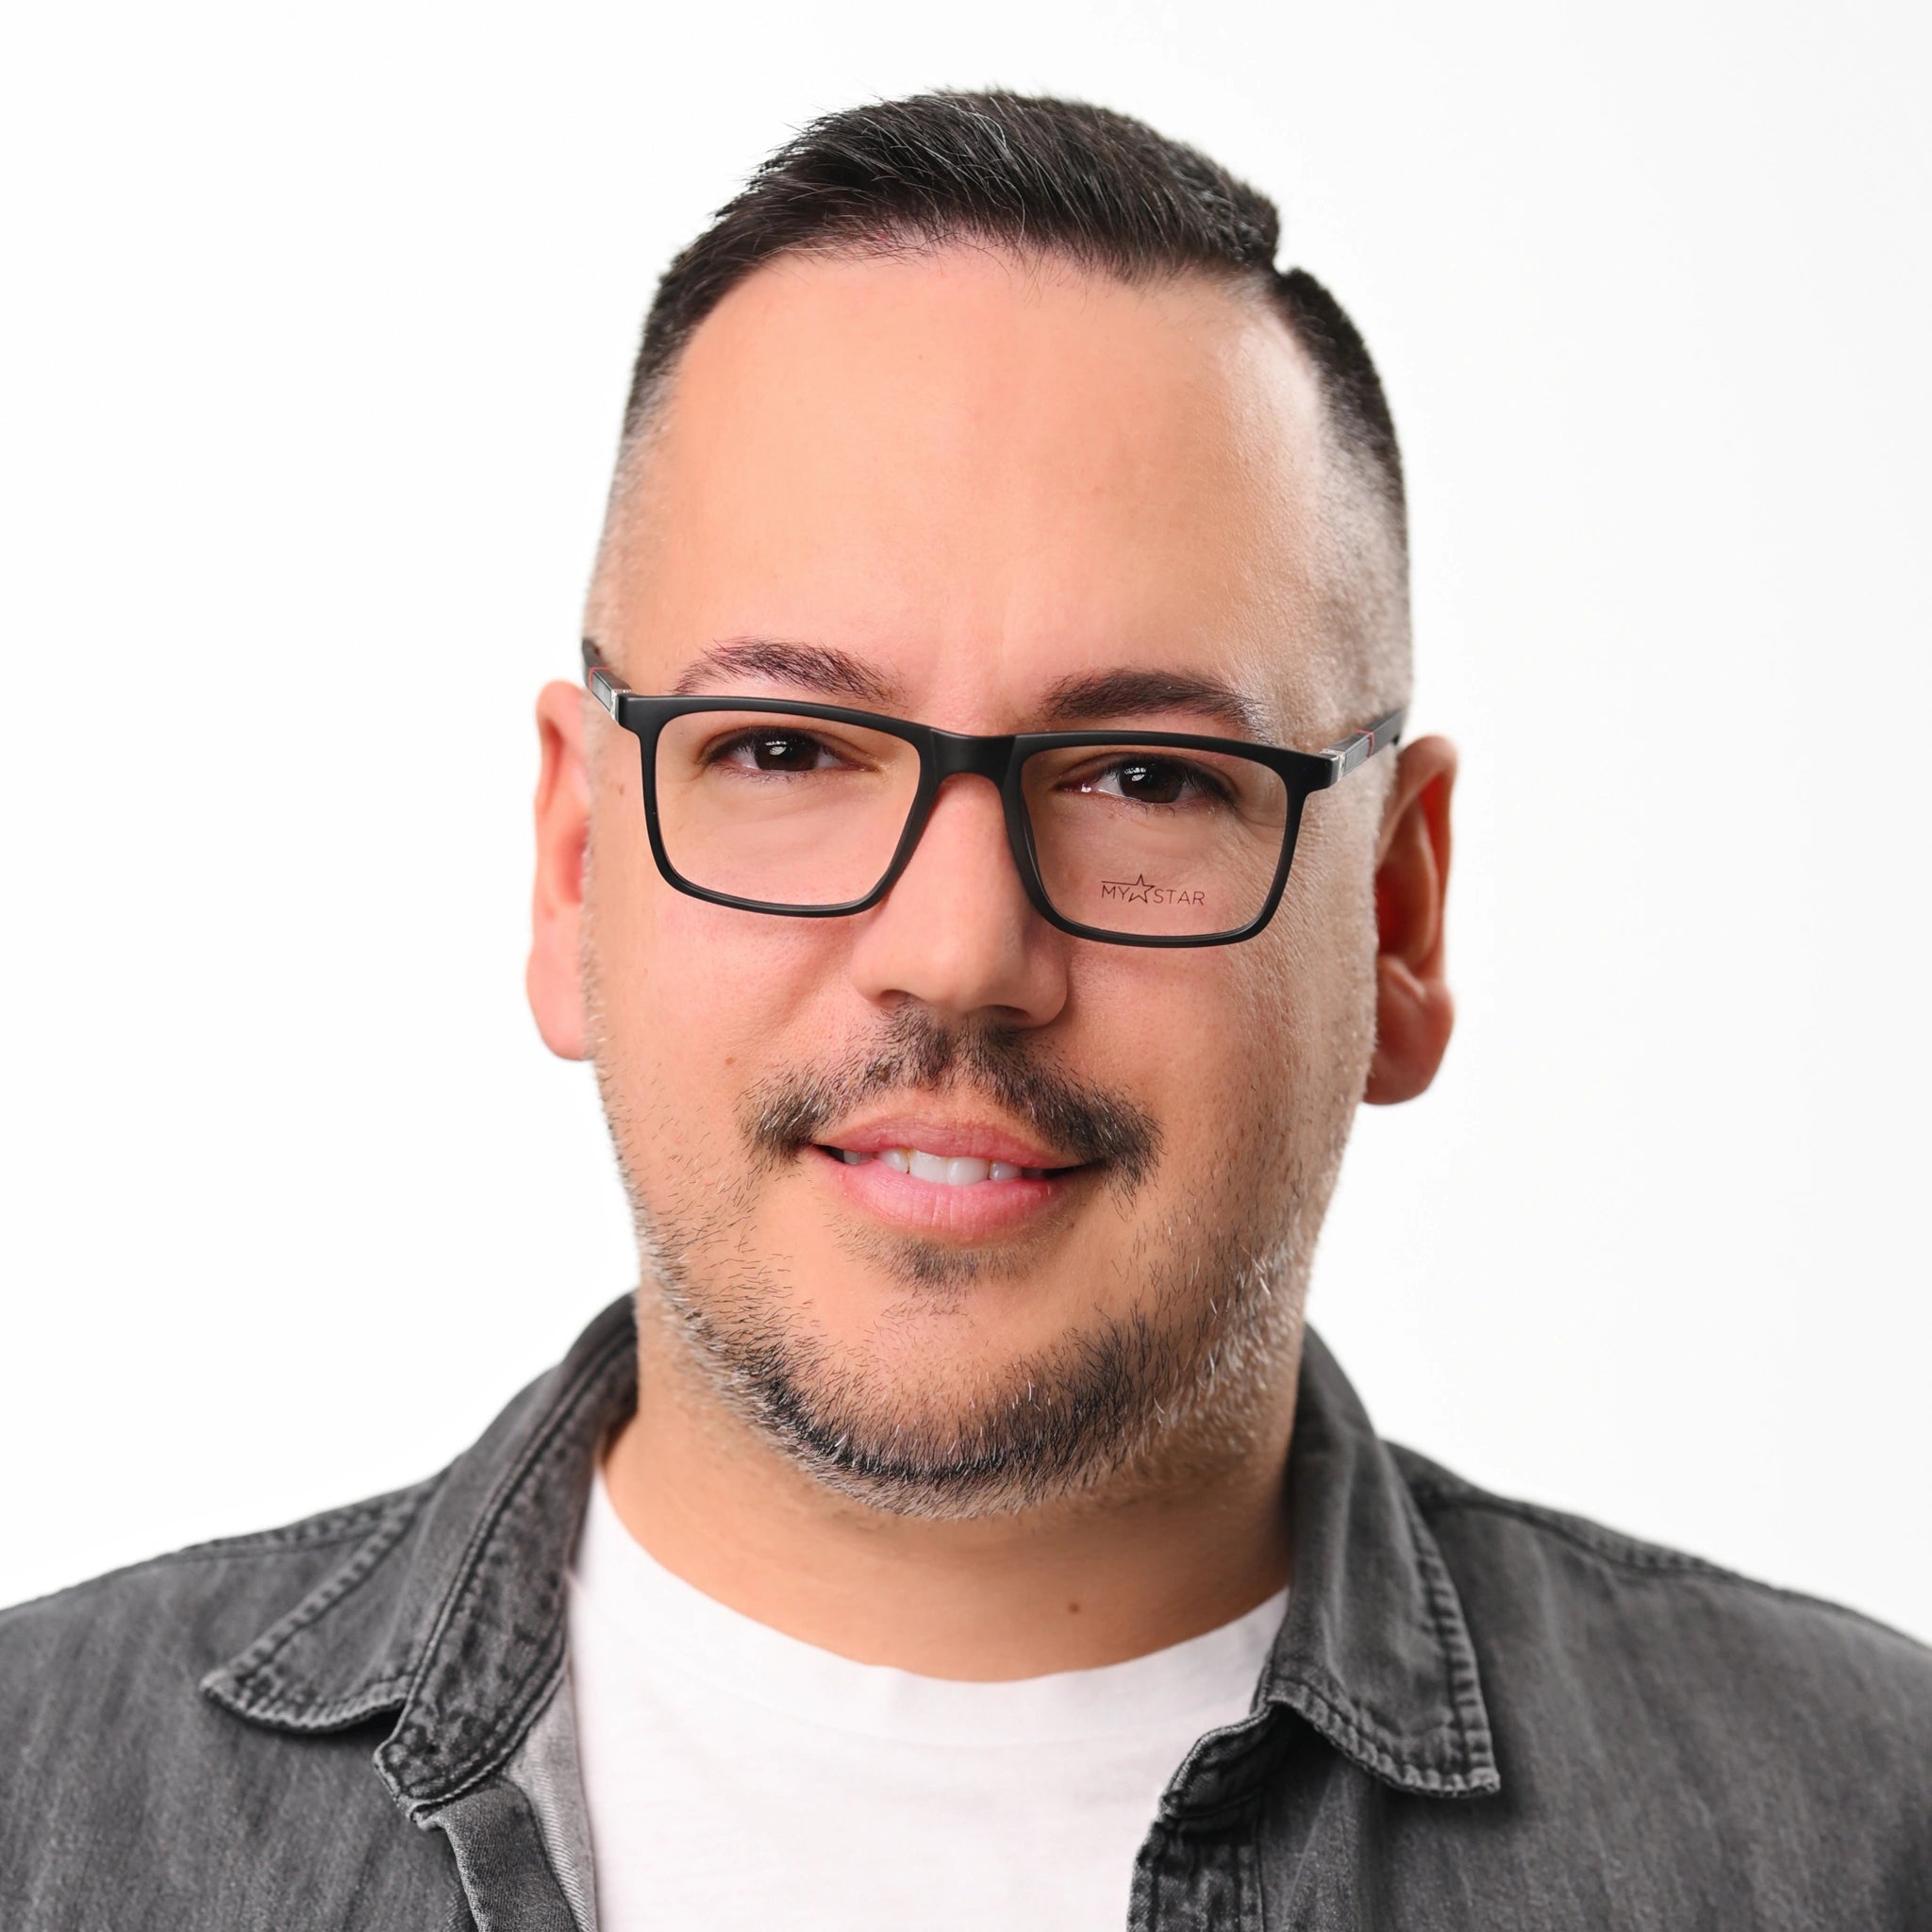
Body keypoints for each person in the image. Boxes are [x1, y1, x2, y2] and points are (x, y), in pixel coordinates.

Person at [3, 90, 1926, 1932]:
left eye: (1150, 777)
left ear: (1399, 918)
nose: (955, 947)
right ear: (576, 863)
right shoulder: (36, 1809)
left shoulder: (1863, 1836)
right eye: (782, 745)